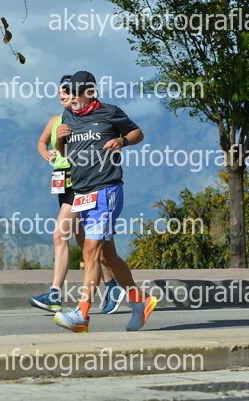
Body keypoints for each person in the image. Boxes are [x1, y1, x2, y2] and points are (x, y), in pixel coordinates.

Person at [53, 71, 157, 332]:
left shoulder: (110, 112)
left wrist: (122, 140)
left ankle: (82, 314)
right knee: (106, 256)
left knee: (90, 250)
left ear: (90, 93)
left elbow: (138, 133)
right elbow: (63, 152)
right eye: (69, 92)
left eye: (76, 93)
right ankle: (139, 300)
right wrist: (58, 139)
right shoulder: (67, 117)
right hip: (81, 192)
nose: (71, 98)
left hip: (106, 189)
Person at [28, 75, 125, 314]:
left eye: (69, 92)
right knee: (89, 245)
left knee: (60, 235)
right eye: (61, 92)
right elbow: (42, 142)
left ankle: (56, 294)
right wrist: (47, 153)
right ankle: (114, 286)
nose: (64, 96)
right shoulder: (57, 120)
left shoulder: (84, 118)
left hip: (81, 183)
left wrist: (118, 142)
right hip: (62, 183)